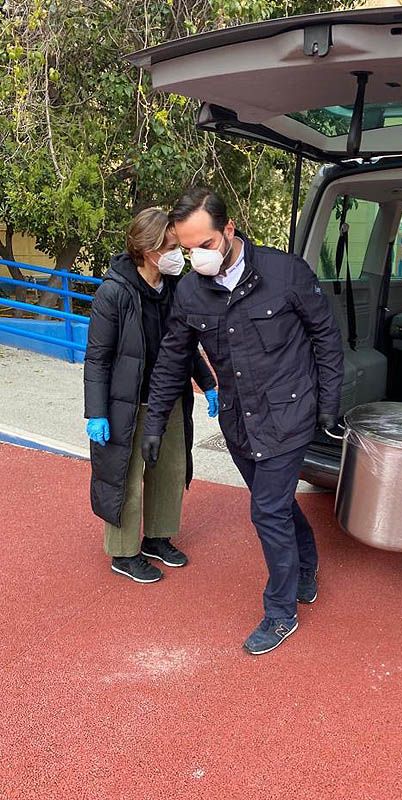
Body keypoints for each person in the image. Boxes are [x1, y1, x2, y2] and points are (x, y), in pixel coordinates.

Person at [141, 187, 344, 654]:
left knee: (267, 509)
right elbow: (173, 358)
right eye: (187, 249)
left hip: (289, 414)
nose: (197, 258)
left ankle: (280, 611)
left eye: (205, 246)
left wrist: (329, 403)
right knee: (272, 502)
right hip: (239, 420)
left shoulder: (285, 273)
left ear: (228, 230)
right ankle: (307, 568)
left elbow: (326, 338)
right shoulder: (191, 289)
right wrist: (154, 423)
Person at [84, 208, 219, 584]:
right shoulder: (114, 293)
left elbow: (185, 345)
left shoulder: (174, 288)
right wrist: (96, 412)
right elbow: (97, 358)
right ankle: (124, 553)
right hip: (129, 403)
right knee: (127, 475)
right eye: (171, 247)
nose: (179, 255)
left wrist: (206, 382)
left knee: (171, 470)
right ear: (147, 249)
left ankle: (157, 538)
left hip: (169, 398)